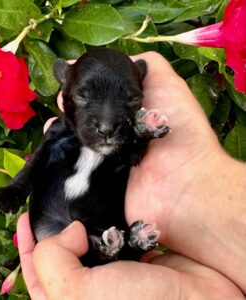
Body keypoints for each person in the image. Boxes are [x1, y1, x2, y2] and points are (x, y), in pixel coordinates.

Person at [17, 51, 246, 300]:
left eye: (131, 100)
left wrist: (188, 169)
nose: (106, 123)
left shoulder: (132, 147)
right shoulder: (65, 135)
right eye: (83, 96)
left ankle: (123, 243)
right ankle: (124, 243)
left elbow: (133, 156)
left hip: (104, 226)